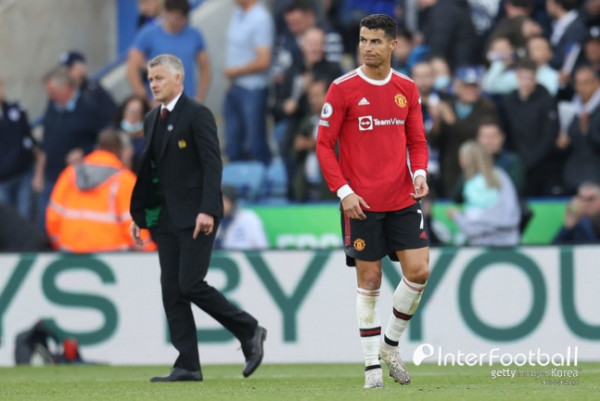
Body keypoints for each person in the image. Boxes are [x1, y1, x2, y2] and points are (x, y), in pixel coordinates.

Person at [129, 54, 266, 382]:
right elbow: (152, 172)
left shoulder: (198, 114)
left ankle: (249, 329)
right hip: (165, 218)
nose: (153, 84)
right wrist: (141, 214)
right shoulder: (152, 119)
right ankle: (188, 363)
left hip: (196, 215)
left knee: (190, 284)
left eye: (159, 78)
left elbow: (212, 163)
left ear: (179, 79)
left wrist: (207, 208)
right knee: (171, 290)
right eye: (150, 79)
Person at [316, 14, 430, 389]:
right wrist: (344, 192)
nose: (367, 47)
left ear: (393, 45)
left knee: (418, 272)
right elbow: (323, 145)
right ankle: (371, 369)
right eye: (363, 40)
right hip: (360, 201)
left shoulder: (407, 88)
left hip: (401, 195)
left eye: (376, 41)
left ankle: (389, 345)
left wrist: (420, 173)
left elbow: (417, 140)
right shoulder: (343, 88)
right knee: (370, 279)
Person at [46, 129, 155, 253]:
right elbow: (133, 227)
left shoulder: (70, 174)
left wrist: (60, 244)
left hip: (71, 251)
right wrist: (149, 252)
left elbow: (53, 217)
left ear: (97, 147)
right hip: (113, 254)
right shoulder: (125, 180)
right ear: (118, 150)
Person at [35, 66, 105, 232]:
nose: (50, 95)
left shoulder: (89, 109)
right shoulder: (52, 106)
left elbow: (101, 141)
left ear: (65, 88)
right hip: (51, 176)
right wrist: (39, 172)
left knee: (71, 221)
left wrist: (84, 151)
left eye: (52, 91)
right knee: (45, 220)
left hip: (75, 178)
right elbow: (46, 141)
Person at [127, 0, 211, 103]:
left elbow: (205, 69)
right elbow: (131, 68)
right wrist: (146, 100)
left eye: (183, 18)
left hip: (186, 103)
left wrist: (200, 97)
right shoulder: (148, 33)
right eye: (176, 18)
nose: (179, 23)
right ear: (166, 12)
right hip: (158, 105)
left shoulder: (194, 34)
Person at [223, 0, 274, 165]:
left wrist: (234, 72)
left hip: (253, 89)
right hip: (235, 86)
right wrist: (231, 81)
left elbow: (264, 60)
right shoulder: (237, 14)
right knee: (232, 143)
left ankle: (262, 184)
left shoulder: (261, 18)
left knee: (255, 142)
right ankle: (238, 184)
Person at [500, 58, 561, 196]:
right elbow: (506, 132)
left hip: (542, 164)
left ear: (536, 77)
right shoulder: (508, 100)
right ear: (516, 76)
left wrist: (529, 161)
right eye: (523, 78)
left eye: (530, 78)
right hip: (516, 162)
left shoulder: (546, 99)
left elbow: (549, 135)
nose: (526, 82)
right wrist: (515, 160)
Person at [447, 141, 521, 246]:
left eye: (461, 157)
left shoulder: (472, 185)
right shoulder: (501, 175)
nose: (459, 161)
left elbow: (473, 227)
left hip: (483, 245)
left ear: (467, 160)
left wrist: (456, 216)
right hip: (510, 240)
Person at [0, 76, 36, 221]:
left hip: (23, 173)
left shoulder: (15, 109)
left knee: (25, 217)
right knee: (6, 221)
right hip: (2, 180)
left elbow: (28, 137)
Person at [560, 65, 600, 193]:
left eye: (586, 83)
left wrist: (587, 131)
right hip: (573, 173)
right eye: (578, 83)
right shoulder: (574, 107)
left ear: (597, 83)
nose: (581, 88)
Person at [59, 50, 117, 127]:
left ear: (83, 67)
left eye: (71, 68)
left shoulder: (95, 90)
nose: (67, 73)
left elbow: (112, 115)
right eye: (64, 70)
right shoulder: (60, 93)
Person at [214, 185, 269, 250]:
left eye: (223, 200)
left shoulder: (248, 218)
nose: (219, 204)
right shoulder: (211, 220)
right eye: (217, 201)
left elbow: (262, 246)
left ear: (232, 202)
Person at [115, 95, 151, 173]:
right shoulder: (114, 133)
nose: (132, 115)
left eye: (136, 112)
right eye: (129, 110)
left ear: (142, 115)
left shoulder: (148, 136)